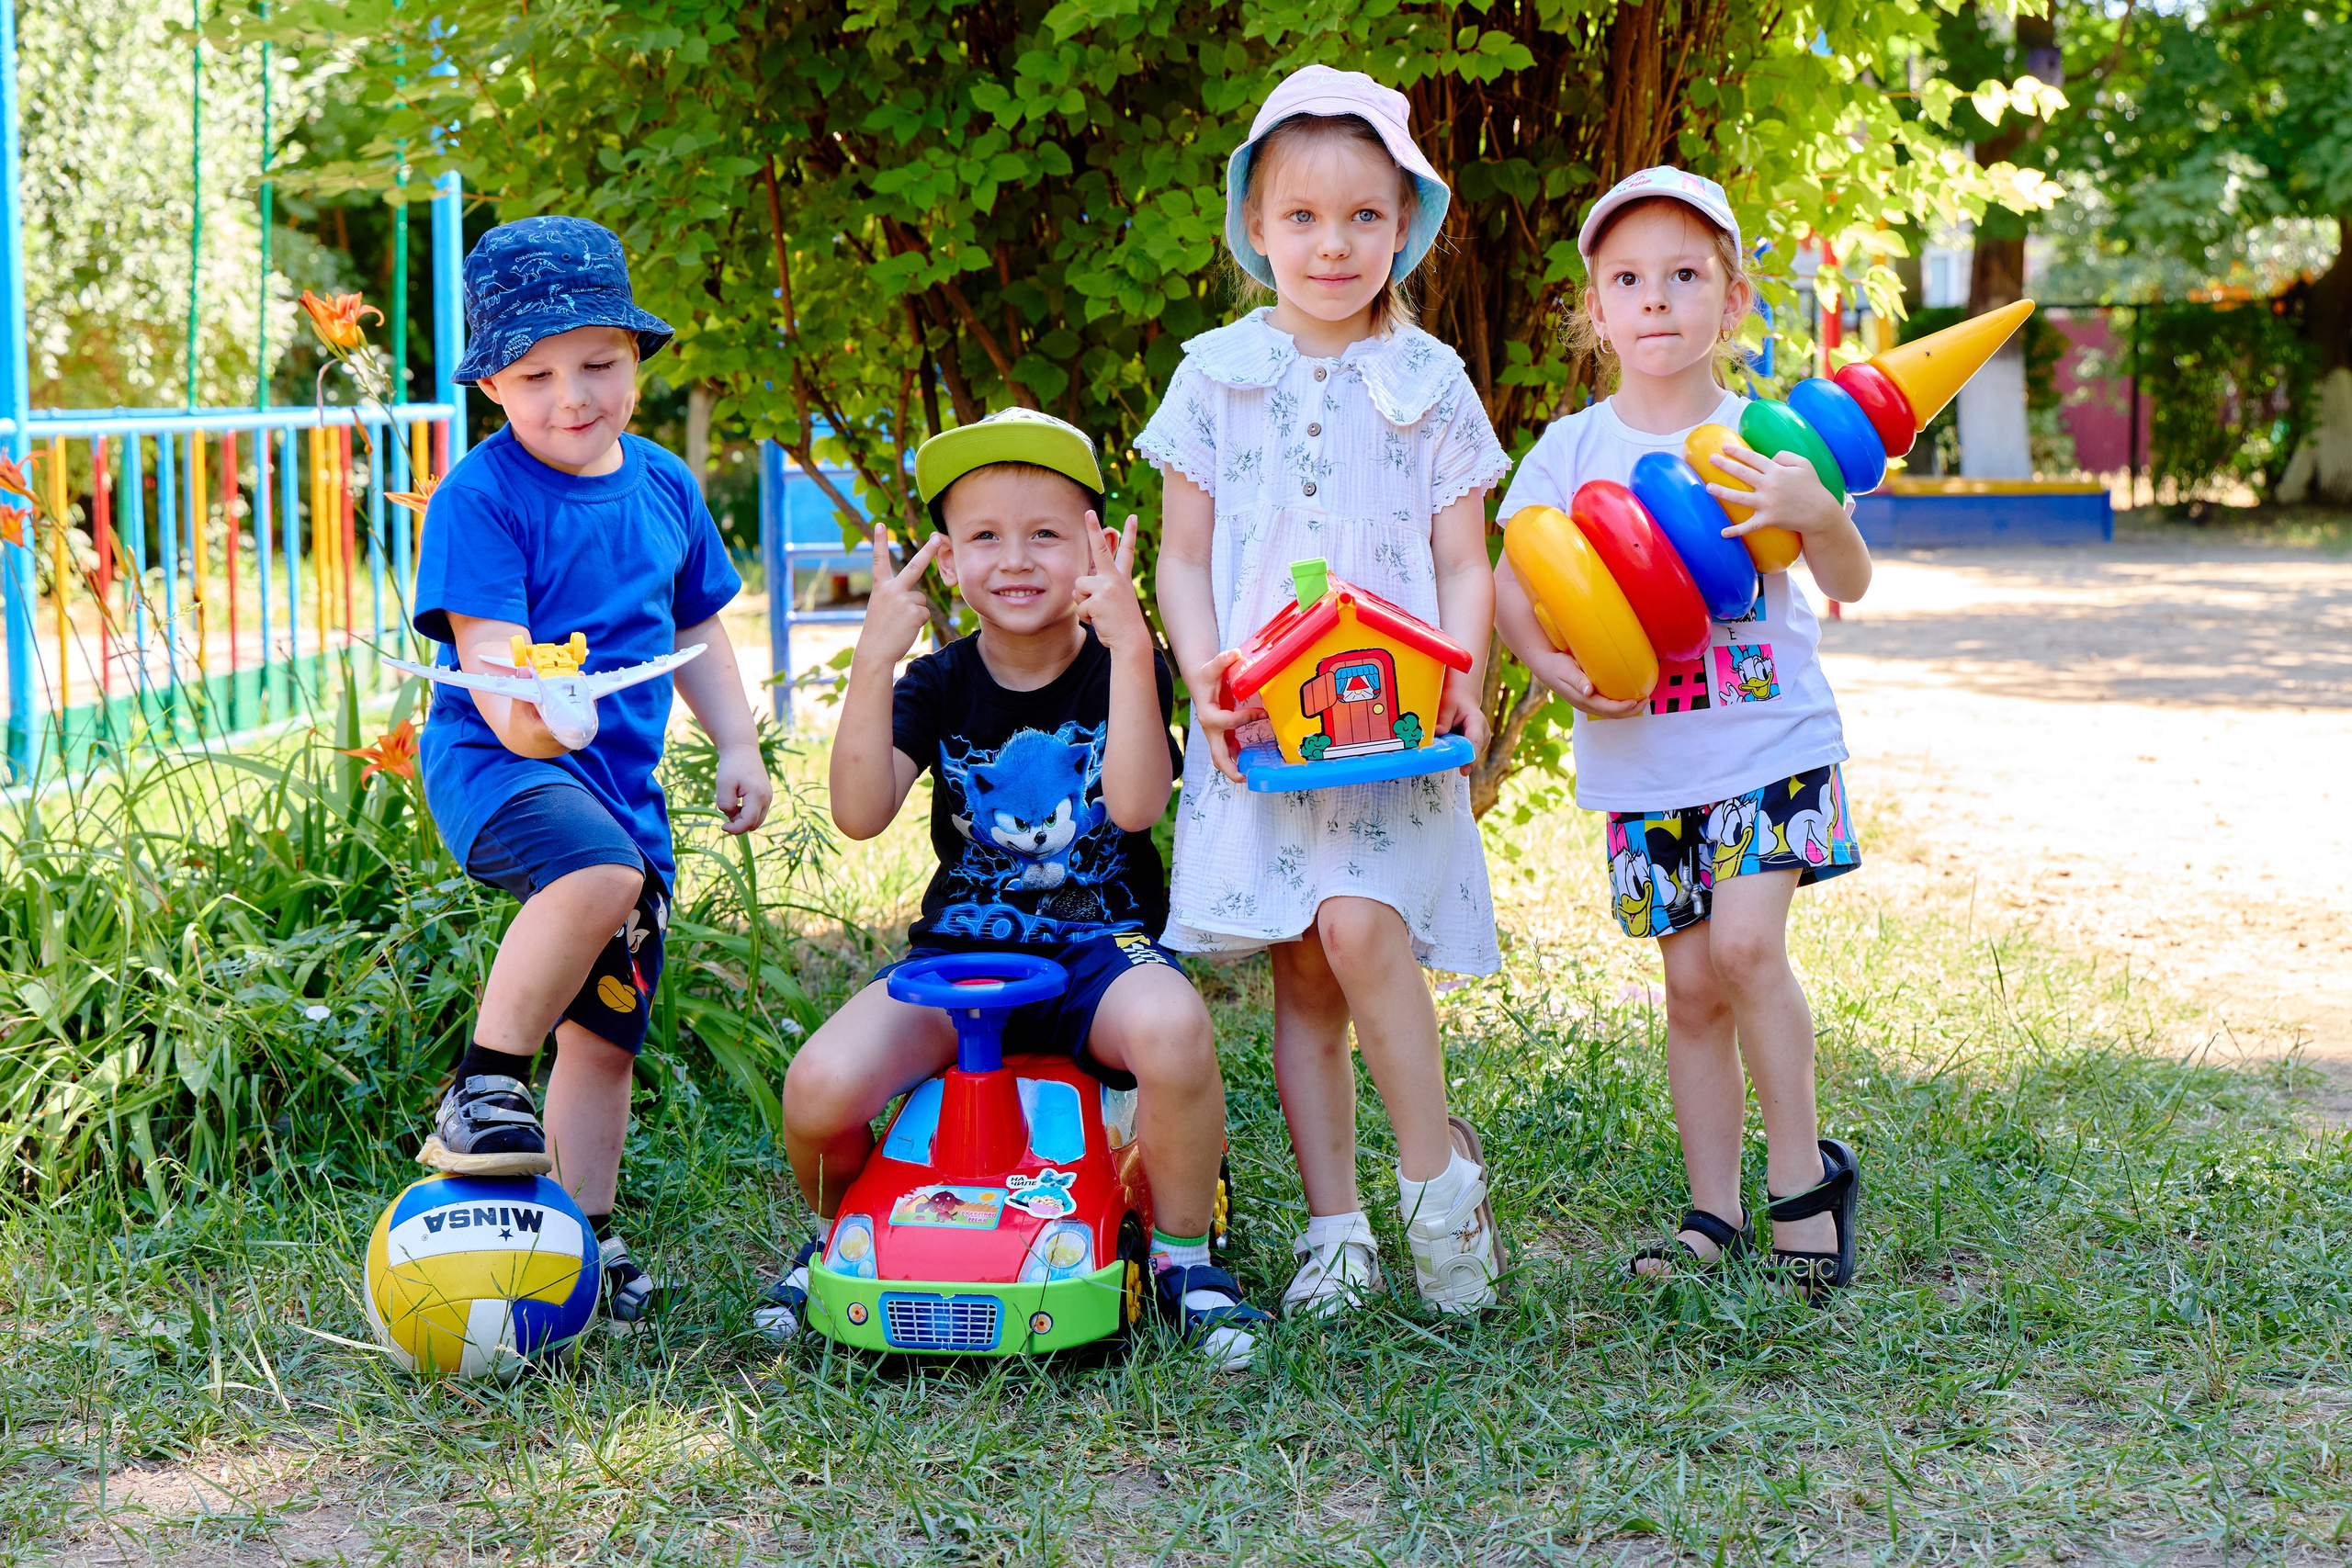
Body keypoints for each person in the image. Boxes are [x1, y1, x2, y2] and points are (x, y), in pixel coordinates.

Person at [755, 409, 1271, 1371]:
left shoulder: (1127, 666)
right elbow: (860, 811)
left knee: (1175, 1029)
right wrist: (874, 659)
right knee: (819, 1086)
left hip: (1095, 953)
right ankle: (836, 1235)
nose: (1016, 559)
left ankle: (1187, 1258)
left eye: (1045, 533)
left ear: (1095, 548)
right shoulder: (939, 684)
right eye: (985, 536)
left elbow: (1131, 806)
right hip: (961, 966)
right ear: (948, 561)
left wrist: (1128, 649)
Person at [1145, 66, 1510, 1319]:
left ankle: (1436, 1180)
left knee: (1362, 927)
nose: (1334, 242)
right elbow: (1182, 554)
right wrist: (1202, 669)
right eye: (1302, 217)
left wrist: (1463, 678)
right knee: (1305, 973)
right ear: (1256, 226)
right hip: (1264, 720)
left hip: (1394, 723)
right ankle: (1336, 1226)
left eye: (1364, 216)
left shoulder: (1431, 380)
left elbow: (1467, 555)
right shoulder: (1213, 375)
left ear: (1404, 223)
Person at [1491, 167, 1867, 1295]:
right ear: (1595, 311)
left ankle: (1803, 1180)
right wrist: (1550, 666)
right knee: (1692, 986)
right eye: (1627, 280)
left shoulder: (1760, 438)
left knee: (1749, 952)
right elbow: (1515, 580)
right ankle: (1713, 1213)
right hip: (1644, 765)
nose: (1656, 299)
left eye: (1684, 276)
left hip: (1770, 747)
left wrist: (1815, 511)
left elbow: (1849, 572)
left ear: (1732, 298)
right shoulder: (1567, 450)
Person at [411, 215, 774, 1321]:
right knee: (595, 874)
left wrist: (742, 741)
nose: (573, 395)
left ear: (636, 359)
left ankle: (586, 1236)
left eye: (599, 366)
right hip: (500, 762)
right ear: (492, 388)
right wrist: (532, 722)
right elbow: (486, 661)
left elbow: (699, 627)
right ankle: (480, 1083)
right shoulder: (483, 496)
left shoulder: (662, 484)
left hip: (624, 796)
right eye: (537, 374)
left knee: (607, 1036)